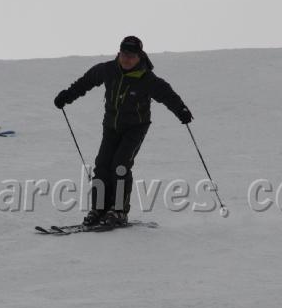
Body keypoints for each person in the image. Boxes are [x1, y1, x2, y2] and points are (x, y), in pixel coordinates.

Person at [54, 36, 193, 226]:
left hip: (135, 128)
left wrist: (181, 110)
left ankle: (119, 211)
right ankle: (99, 209)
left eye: (132, 56)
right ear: (118, 53)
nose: (127, 59)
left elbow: (167, 94)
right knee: (102, 165)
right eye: (124, 55)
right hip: (111, 126)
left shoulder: (147, 78)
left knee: (120, 165)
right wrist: (67, 96)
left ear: (139, 57)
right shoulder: (107, 70)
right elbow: (85, 82)